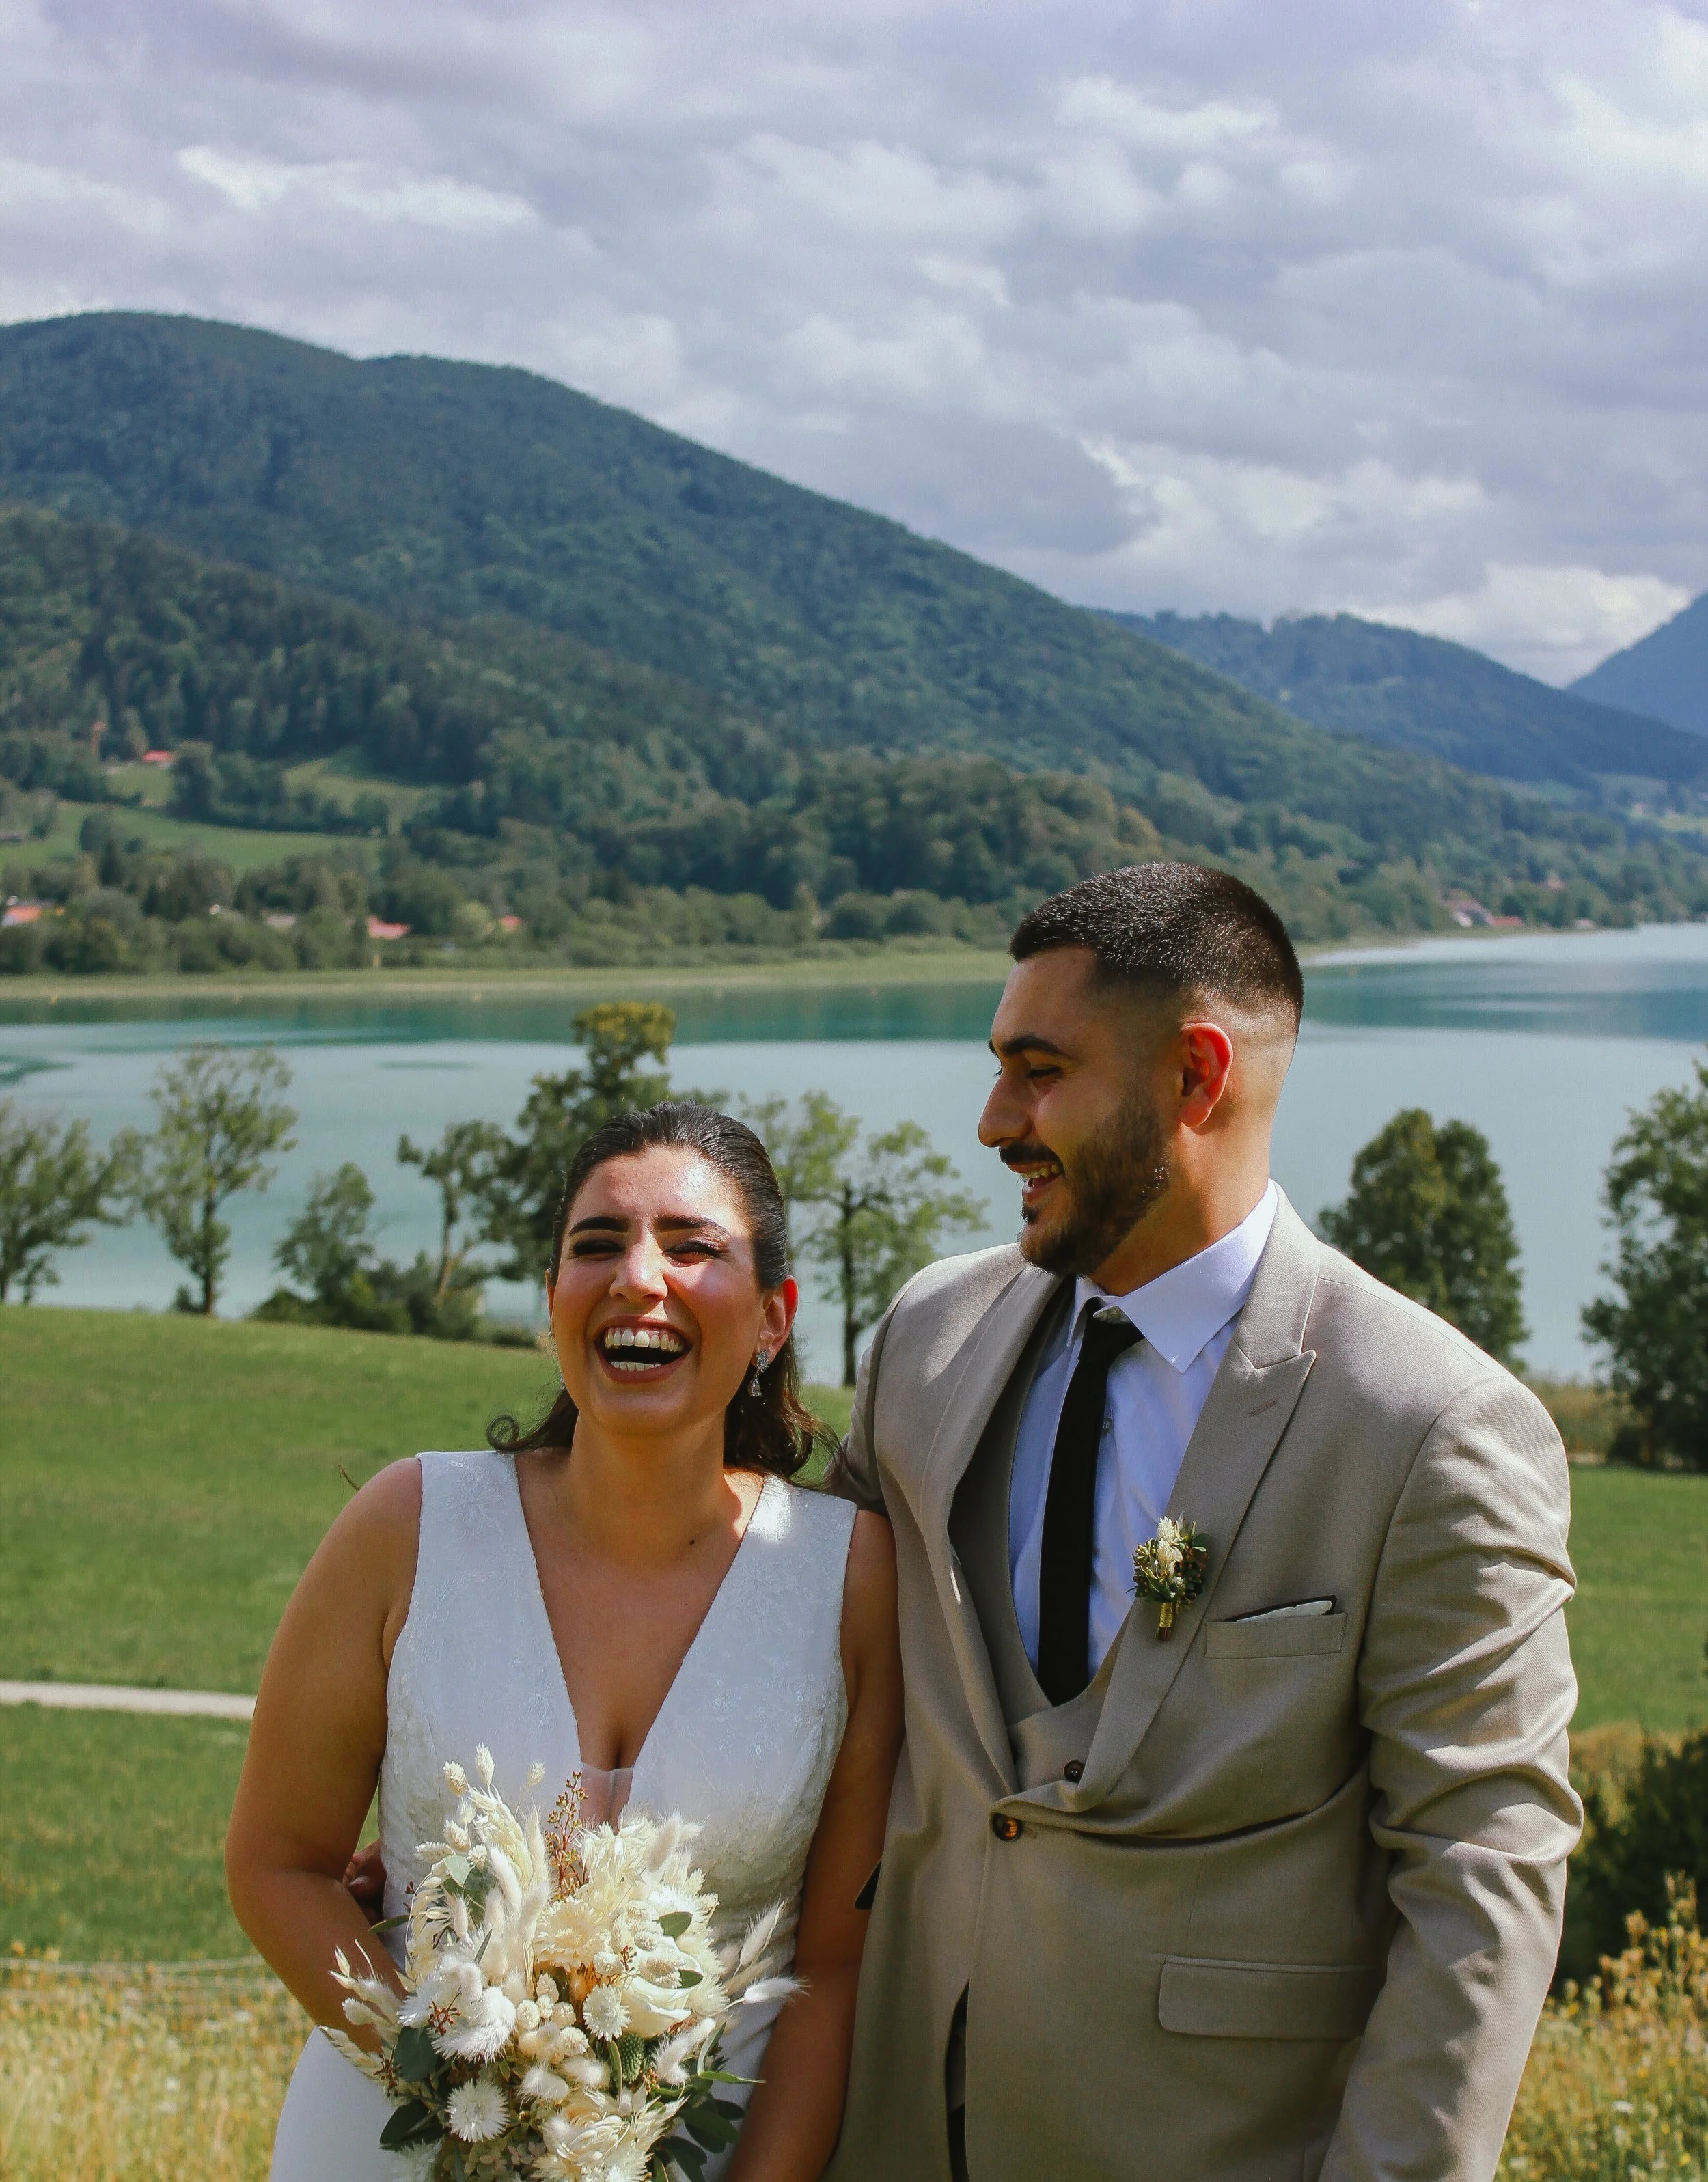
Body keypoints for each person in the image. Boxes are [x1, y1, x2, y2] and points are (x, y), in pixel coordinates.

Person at [825, 862, 1580, 2182]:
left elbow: (1481, 1877)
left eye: (1039, 1068)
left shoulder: (1432, 1426)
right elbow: (788, 1654)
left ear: (1196, 1076)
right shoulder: (926, 1335)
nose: (995, 1120)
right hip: (887, 2137)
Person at [226, 1101, 903, 2182]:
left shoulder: (851, 1580)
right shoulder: (410, 1526)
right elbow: (276, 1863)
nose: (640, 1277)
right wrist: (467, 2094)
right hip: (391, 2146)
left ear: (774, 1316)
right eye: (597, 1245)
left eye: (692, 1247)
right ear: (553, 1301)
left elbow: (831, 1966)